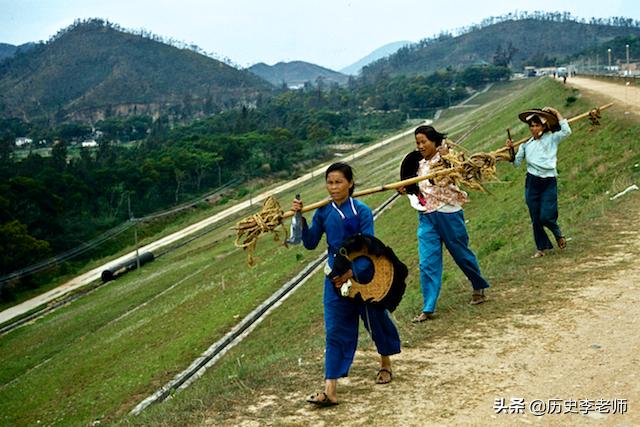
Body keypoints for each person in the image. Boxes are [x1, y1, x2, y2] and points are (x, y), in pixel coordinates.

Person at [292, 162, 401, 407]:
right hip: (334, 277)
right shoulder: (323, 211)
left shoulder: (361, 211)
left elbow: (370, 247)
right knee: (335, 329)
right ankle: (330, 389)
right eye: (329, 183)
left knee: (375, 319)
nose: (333, 188)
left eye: (338, 182)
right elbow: (310, 243)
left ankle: (385, 363)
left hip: (363, 274)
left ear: (350, 183)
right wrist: (301, 218)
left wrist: (351, 272)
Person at [400, 125, 490, 323]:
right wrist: (405, 188)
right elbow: (415, 187)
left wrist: (446, 155)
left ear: (434, 141)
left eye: (424, 142)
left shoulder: (447, 158)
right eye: (417, 143)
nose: (420, 146)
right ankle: (428, 307)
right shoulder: (418, 164)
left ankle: (478, 285)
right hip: (426, 216)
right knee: (427, 262)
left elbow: (460, 172)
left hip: (448, 214)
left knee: (461, 254)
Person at [506, 107, 571, 258]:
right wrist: (511, 150)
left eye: (537, 125)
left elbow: (567, 131)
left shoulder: (552, 138)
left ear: (543, 126)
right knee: (535, 218)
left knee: (546, 216)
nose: (534, 129)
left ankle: (558, 234)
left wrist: (556, 112)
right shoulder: (525, 145)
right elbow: (516, 163)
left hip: (549, 181)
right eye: (531, 126)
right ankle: (541, 248)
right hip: (532, 182)